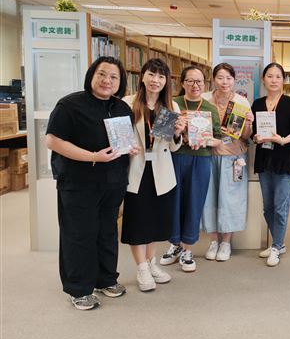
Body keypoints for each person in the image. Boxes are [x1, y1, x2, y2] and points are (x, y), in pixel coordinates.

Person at [46, 56, 138, 310]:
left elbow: (124, 141)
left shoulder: (122, 108)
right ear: (91, 76)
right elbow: (53, 141)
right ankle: (79, 288)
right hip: (78, 182)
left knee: (107, 231)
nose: (107, 80)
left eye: (114, 77)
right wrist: (93, 157)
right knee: (79, 234)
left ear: (121, 82)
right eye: (102, 74)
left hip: (113, 181)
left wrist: (131, 148)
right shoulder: (69, 105)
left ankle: (105, 279)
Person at [122, 58, 186, 292]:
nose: (155, 80)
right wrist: (125, 147)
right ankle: (141, 268)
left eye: (160, 76)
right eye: (151, 74)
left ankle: (151, 263)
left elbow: (173, 146)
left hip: (161, 171)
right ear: (142, 76)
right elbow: (120, 138)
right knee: (137, 221)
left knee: (156, 221)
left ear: (166, 80)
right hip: (136, 169)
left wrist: (178, 134)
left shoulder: (170, 106)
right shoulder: (128, 104)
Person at [160, 66, 221, 273]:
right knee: (174, 201)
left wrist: (205, 141)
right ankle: (174, 244)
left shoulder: (210, 108)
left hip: (201, 160)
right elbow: (161, 134)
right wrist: (178, 129)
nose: (195, 85)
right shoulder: (172, 104)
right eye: (190, 81)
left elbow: (218, 140)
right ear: (182, 83)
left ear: (205, 84)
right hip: (175, 158)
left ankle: (187, 249)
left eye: (199, 81)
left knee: (194, 203)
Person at [251, 63, 290, 267]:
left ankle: (276, 246)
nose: (274, 80)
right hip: (265, 160)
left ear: (283, 80)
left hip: (286, 159)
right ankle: (278, 244)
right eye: (270, 76)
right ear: (263, 79)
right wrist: (255, 137)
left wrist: (283, 140)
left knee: (281, 207)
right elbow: (253, 131)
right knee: (268, 207)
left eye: (278, 76)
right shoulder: (257, 104)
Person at [201, 63, 254, 262]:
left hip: (233, 157)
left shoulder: (241, 101)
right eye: (220, 77)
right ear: (213, 79)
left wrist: (249, 123)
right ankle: (214, 240)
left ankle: (226, 242)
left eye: (229, 78)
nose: (225, 82)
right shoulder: (205, 99)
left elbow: (246, 136)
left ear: (234, 80)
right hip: (209, 155)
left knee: (230, 199)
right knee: (209, 198)